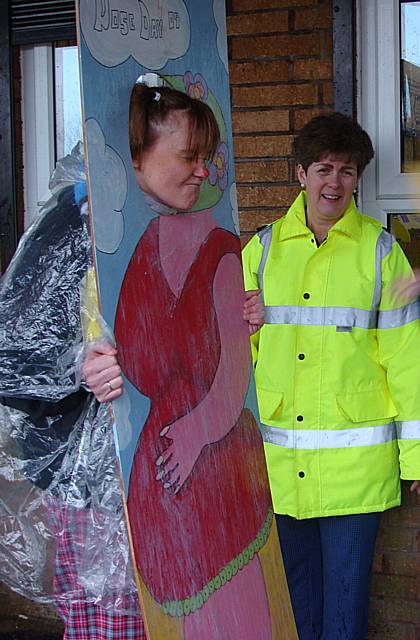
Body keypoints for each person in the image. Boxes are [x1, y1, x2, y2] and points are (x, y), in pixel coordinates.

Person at [84, 82, 281, 640]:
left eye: (207, 158)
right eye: (188, 157)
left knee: (239, 618)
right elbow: (78, 345)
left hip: (217, 470)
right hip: (152, 485)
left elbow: (233, 373)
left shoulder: (218, 247)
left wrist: (197, 432)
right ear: (138, 157)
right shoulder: (123, 249)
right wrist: (91, 365)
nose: (203, 171)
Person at [241, 112, 420, 640]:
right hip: (280, 468)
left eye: (346, 171)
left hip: (356, 476)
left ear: (358, 178)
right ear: (300, 174)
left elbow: (408, 361)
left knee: (345, 609)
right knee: (294, 605)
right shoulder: (263, 250)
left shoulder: (381, 253)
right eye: (323, 169)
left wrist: (416, 458)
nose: (334, 183)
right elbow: (232, 357)